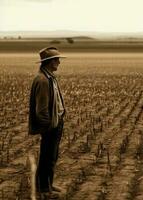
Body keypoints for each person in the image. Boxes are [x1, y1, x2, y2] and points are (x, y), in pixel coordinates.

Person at [28, 46, 66, 198]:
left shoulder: (49, 77)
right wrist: (49, 126)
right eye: (57, 60)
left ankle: (48, 184)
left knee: (51, 156)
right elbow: (41, 110)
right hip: (51, 126)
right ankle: (44, 188)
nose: (59, 62)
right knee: (47, 157)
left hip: (55, 123)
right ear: (49, 62)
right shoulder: (43, 80)